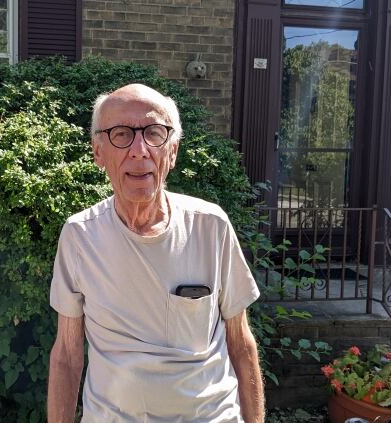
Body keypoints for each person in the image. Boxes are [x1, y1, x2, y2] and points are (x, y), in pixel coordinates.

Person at [47, 83, 264, 423]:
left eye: (154, 133)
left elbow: (241, 342)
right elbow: (67, 353)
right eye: (121, 134)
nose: (139, 150)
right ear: (98, 152)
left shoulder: (211, 227)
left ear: (172, 151)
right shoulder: (80, 236)